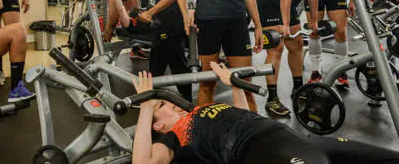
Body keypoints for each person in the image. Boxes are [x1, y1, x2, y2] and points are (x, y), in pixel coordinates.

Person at [131, 65, 399, 164]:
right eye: (162, 105)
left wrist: (235, 86)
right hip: (261, 149)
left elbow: (243, 115)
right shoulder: (174, 139)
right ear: (158, 125)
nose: (173, 103)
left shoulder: (200, 110)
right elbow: (143, 162)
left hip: (291, 136)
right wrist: (145, 105)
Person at [256, 0, 323, 116]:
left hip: (288, 7)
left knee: (297, 45)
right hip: (270, 6)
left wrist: (314, 19)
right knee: (276, 49)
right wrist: (285, 24)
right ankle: (272, 99)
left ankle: (298, 90)